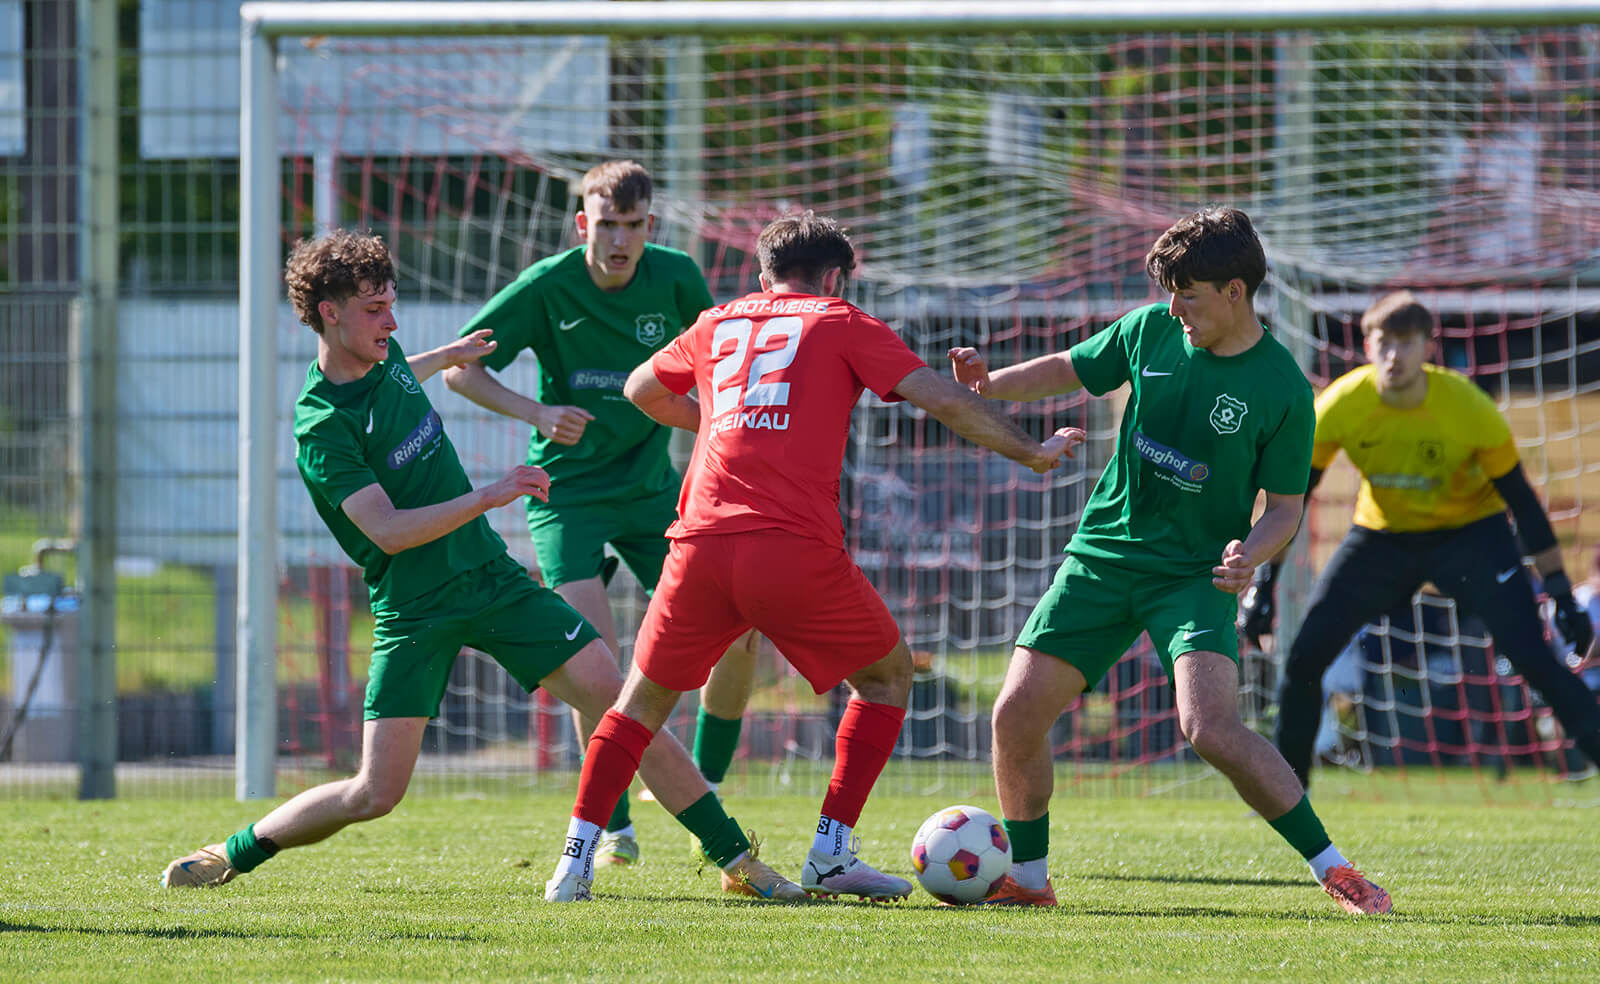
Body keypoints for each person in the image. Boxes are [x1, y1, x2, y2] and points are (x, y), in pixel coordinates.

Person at [162, 230, 800, 901]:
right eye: (376, 308)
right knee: (374, 792)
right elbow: (388, 531)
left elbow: (411, 368)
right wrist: (490, 494)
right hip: (416, 608)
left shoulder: (389, 360)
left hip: (493, 582)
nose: (393, 320)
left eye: (391, 303)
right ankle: (231, 852)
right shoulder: (322, 425)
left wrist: (452, 356)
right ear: (329, 311)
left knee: (624, 707)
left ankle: (737, 861)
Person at [542, 209, 1083, 903]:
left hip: (699, 543)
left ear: (764, 274)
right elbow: (942, 401)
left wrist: (718, 419)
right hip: (789, 544)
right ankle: (830, 853)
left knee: (637, 707)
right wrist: (1031, 450)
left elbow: (641, 388)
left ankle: (574, 865)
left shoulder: (716, 322)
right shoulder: (839, 320)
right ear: (834, 277)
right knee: (887, 678)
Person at [949, 206, 1392, 915]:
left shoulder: (1280, 386)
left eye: (1188, 292)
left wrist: (1252, 552)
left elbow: (1286, 505)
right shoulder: (1150, 330)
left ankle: (1335, 869)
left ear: (1235, 293)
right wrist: (990, 384)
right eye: (1170, 290)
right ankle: (1030, 881)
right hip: (1103, 558)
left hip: (1193, 576)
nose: (1174, 306)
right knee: (1015, 716)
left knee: (1210, 729)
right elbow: (1072, 366)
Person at [443, 160, 759, 868]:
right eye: (606, 225)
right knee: (592, 657)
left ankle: (706, 776)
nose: (619, 240)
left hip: (651, 490)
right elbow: (462, 366)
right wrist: (538, 411)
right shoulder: (548, 285)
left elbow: (718, 366)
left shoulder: (675, 277)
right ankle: (614, 823)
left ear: (651, 227)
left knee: (741, 626)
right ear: (583, 223)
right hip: (568, 495)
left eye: (633, 226)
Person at [1240, 290, 1600, 785]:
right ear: (1367, 345)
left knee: (1536, 660)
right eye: (1384, 342)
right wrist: (1265, 582)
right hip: (1382, 538)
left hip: (1472, 537)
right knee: (1304, 658)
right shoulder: (1341, 404)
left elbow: (1524, 505)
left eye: (1406, 343)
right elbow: (1291, 501)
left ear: (1427, 348)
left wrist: (1562, 595)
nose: (1394, 355)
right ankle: (1285, 796)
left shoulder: (1467, 407)